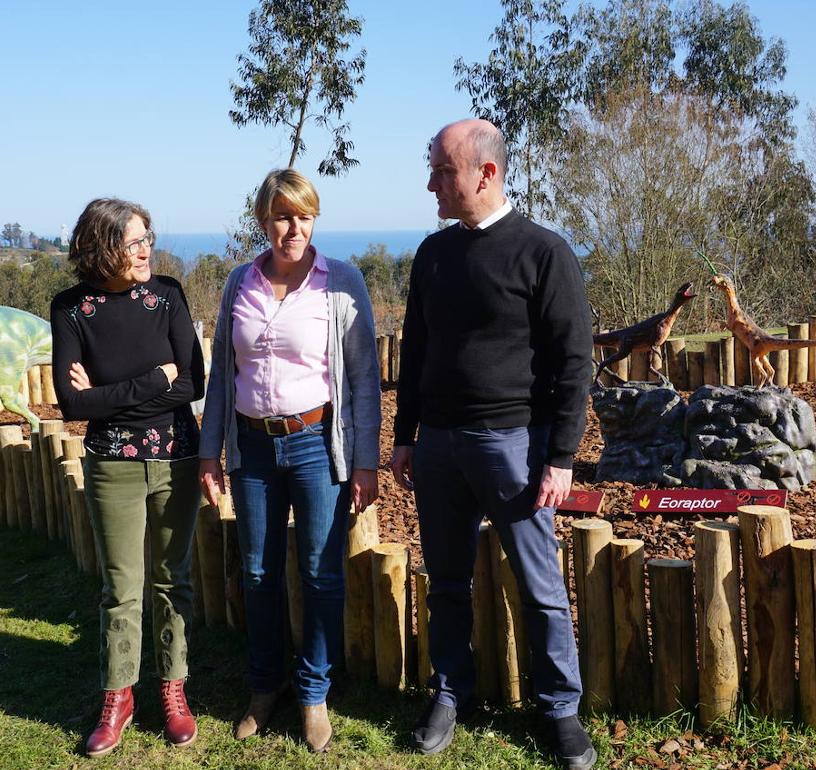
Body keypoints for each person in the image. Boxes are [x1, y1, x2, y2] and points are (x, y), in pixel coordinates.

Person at [389, 119, 597, 770]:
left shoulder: (544, 252)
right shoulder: (433, 255)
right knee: (446, 582)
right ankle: (451, 692)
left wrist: (561, 456)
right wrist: (404, 437)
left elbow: (573, 362)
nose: (431, 185)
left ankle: (560, 711)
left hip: (516, 446)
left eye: (442, 172)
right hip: (441, 447)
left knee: (539, 588)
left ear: (486, 173)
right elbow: (416, 349)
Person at [198, 168, 381, 753]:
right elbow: (223, 373)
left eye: (303, 216)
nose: (292, 228)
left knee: (321, 572)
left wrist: (365, 460)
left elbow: (363, 381)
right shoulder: (238, 285)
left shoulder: (340, 283)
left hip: (315, 442)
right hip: (251, 446)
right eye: (281, 216)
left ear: (314, 219)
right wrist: (210, 451)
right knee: (257, 570)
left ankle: (313, 693)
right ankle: (263, 686)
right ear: (263, 221)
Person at [50, 198, 205, 756]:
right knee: (120, 588)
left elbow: (195, 383)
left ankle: (173, 689)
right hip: (111, 466)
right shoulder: (71, 308)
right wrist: (151, 383)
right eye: (133, 242)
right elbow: (70, 403)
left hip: (176, 459)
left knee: (172, 579)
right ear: (101, 247)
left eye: (148, 238)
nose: (146, 250)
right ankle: (118, 696)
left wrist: (108, 397)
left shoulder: (166, 295)